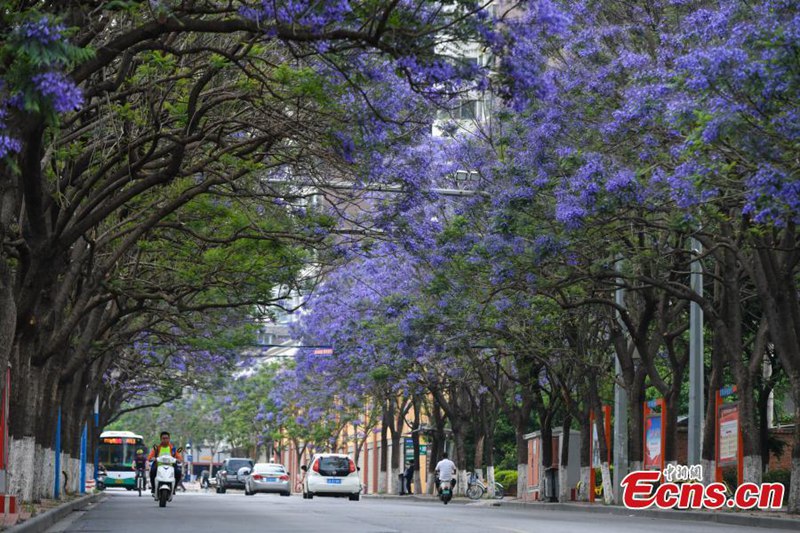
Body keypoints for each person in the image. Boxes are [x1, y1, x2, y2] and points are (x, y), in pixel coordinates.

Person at [148, 431, 183, 495]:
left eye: (167, 438)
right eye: (163, 438)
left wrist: (179, 460)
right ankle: (153, 487)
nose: (165, 440)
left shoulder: (173, 449)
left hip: (171, 465)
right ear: (161, 439)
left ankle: (174, 488)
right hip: (158, 465)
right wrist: (152, 458)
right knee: (152, 471)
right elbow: (150, 456)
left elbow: (179, 457)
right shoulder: (156, 448)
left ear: (169, 439)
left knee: (178, 472)